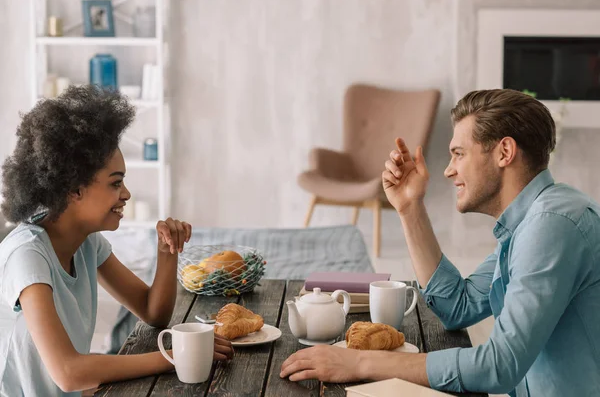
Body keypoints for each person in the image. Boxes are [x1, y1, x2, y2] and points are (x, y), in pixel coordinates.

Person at [280, 89, 600, 396]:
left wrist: (361, 362)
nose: (448, 170)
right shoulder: (529, 223)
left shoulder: (553, 226)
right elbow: (458, 307)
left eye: (458, 154)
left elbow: (500, 366)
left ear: (504, 152)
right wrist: (409, 207)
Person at [0, 85, 233, 396]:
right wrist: (173, 357)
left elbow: (153, 313)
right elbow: (69, 373)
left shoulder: (86, 242)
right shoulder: (27, 256)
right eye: (116, 183)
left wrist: (166, 251)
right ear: (74, 188)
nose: (126, 194)